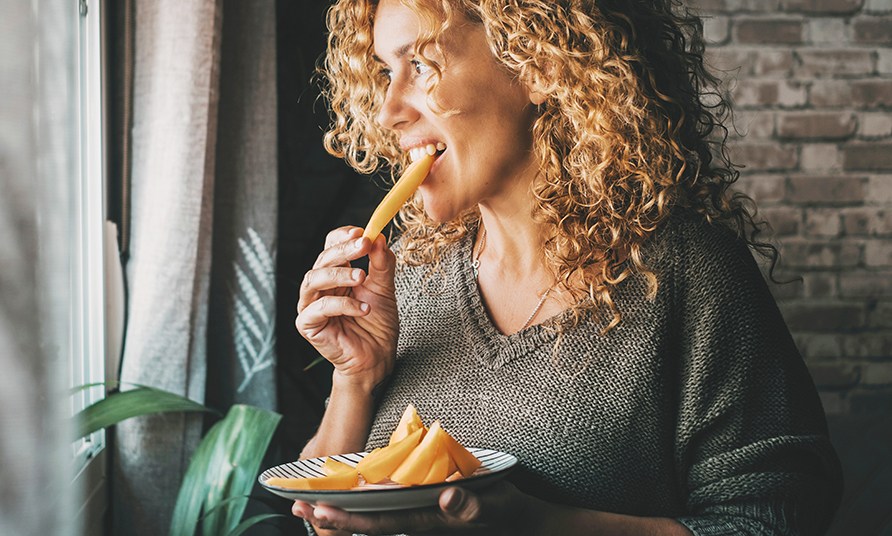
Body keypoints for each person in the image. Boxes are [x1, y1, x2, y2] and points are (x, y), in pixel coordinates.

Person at [292, 0, 843, 534]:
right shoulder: (412, 272)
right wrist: (356, 380)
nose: (388, 110)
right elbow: (328, 510)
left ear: (539, 64)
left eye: (420, 64)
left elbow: (772, 517)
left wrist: (537, 524)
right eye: (386, 71)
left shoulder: (688, 271)